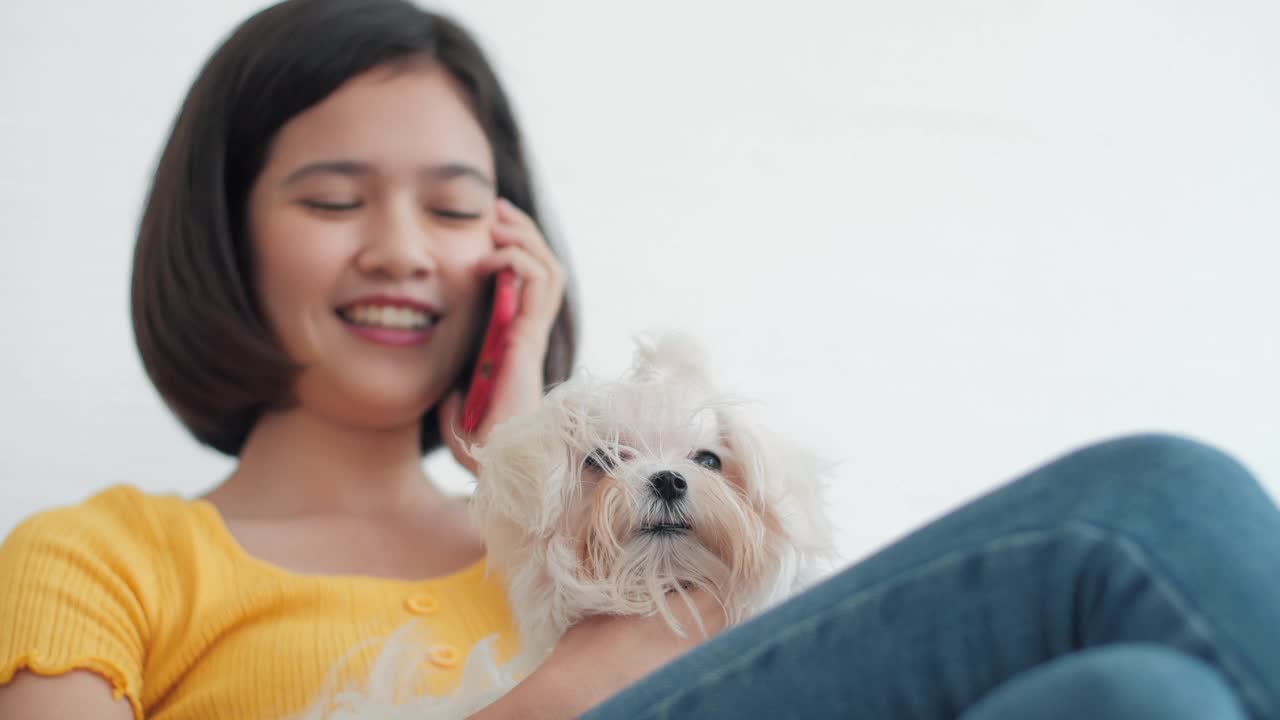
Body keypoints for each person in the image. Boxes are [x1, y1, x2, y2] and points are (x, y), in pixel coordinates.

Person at [2, 1, 1277, 719]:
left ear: (511, 262)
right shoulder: (101, 562)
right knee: (1153, 508)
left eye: (455, 210)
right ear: (219, 235)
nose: (401, 251)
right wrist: (594, 668)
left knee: (1140, 698)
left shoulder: (622, 542)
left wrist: (527, 457)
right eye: (334, 201)